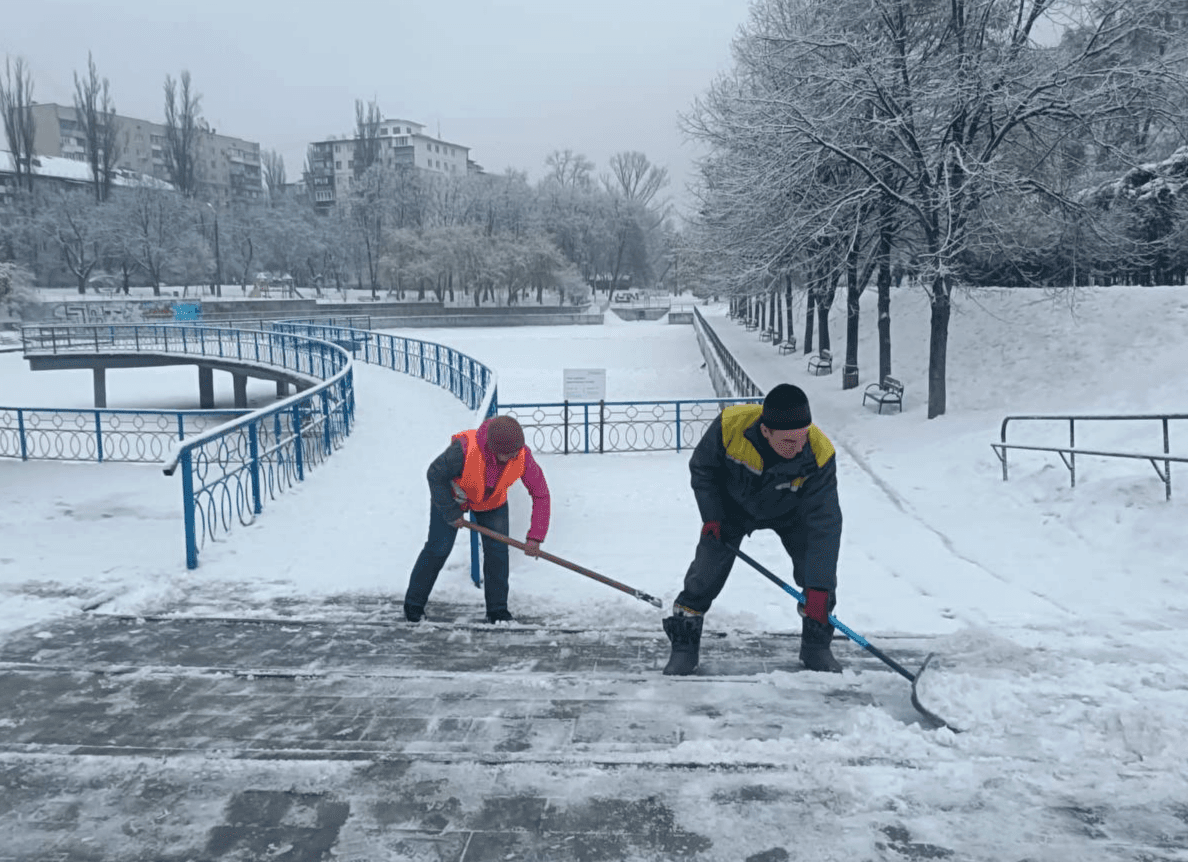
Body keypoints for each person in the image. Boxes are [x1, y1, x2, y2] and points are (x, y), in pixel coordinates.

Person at [662, 383, 843, 675]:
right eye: (788, 442)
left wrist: (819, 588)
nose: (798, 448)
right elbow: (703, 469)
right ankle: (684, 646)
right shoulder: (730, 426)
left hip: (792, 512)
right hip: (732, 510)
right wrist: (712, 519)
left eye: (802, 439)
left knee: (818, 576)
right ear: (765, 430)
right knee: (705, 573)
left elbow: (825, 523)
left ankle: (816, 647)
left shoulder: (818, 453)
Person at [404, 415, 550, 623]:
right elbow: (434, 474)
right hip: (452, 497)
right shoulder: (463, 450)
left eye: (515, 453)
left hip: (492, 503)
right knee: (439, 548)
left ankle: (497, 610)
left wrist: (536, 536)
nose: (513, 458)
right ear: (492, 448)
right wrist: (450, 512)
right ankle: (413, 606)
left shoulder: (522, 456)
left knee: (497, 554)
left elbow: (541, 494)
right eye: (507, 454)